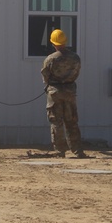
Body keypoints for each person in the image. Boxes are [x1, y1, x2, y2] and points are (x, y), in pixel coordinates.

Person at [40, 28, 86, 158]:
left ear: (53, 43)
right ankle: (77, 151)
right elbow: (76, 73)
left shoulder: (50, 59)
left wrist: (51, 84)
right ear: (65, 42)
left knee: (56, 122)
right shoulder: (75, 58)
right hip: (70, 91)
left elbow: (45, 76)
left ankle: (60, 151)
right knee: (72, 121)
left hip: (54, 93)